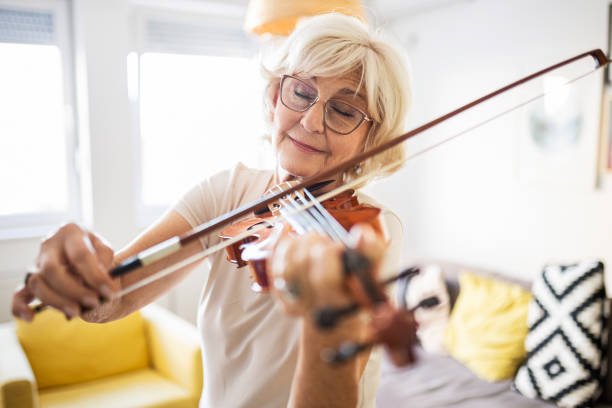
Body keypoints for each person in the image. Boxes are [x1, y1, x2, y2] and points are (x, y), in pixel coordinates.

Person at [11, 13, 411, 408]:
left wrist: (330, 318)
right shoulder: (227, 192)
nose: (310, 121)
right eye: (303, 93)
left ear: (371, 138)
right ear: (275, 98)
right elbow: (113, 299)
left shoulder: (370, 232)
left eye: (344, 111)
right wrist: (78, 277)